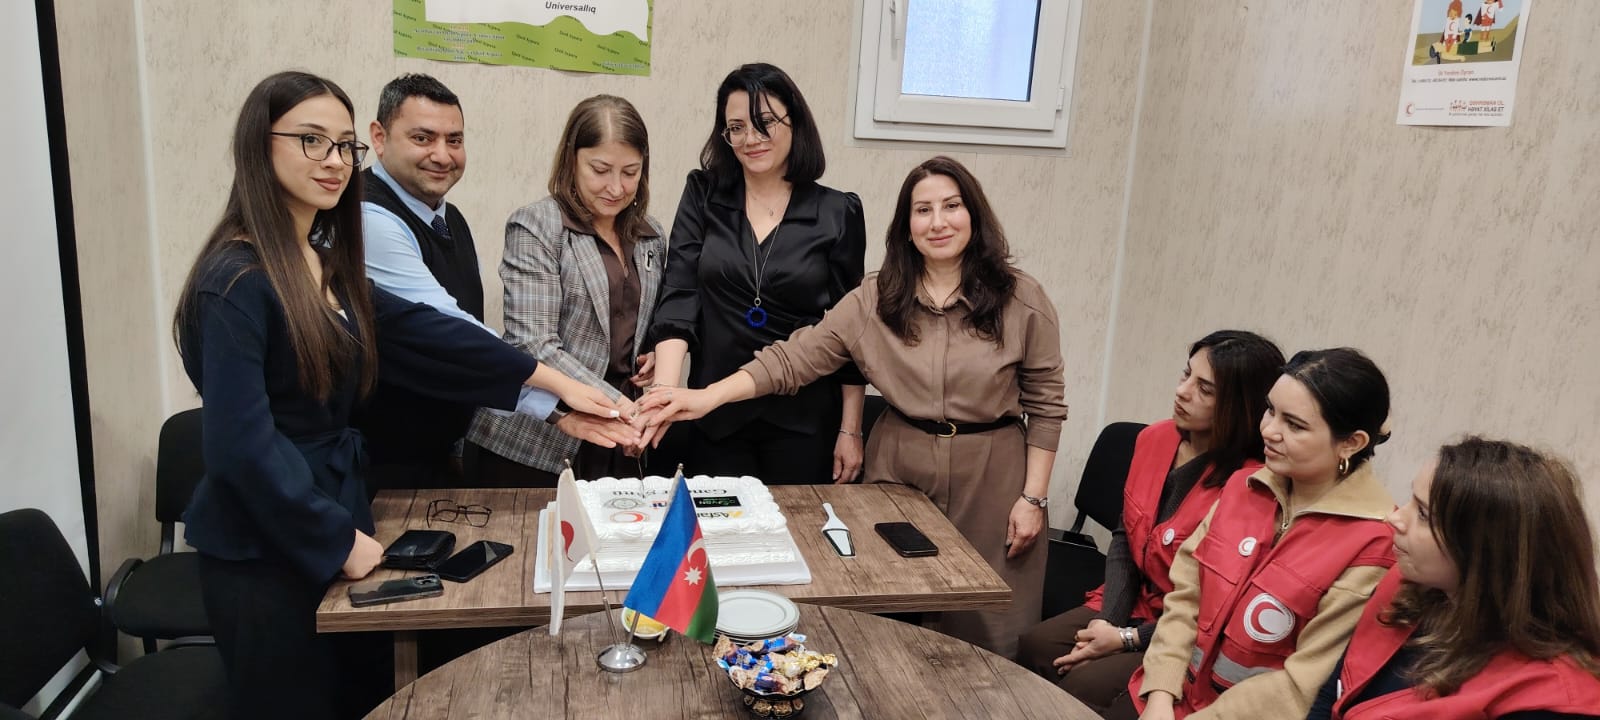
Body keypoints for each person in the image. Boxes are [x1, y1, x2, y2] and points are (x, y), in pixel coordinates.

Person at [173, 71, 631, 720]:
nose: (335, 162)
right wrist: (334, 537)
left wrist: (560, 395)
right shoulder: (236, 279)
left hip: (334, 510)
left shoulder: (322, 260)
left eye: (343, 146)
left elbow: (430, 335)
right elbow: (240, 449)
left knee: (362, 695)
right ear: (258, 145)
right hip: (265, 546)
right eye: (311, 141)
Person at [639, 156, 1067, 657]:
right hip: (899, 475)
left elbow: (1047, 402)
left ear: (974, 214)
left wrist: (1034, 498)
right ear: (906, 226)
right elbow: (795, 357)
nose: (938, 222)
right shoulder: (877, 298)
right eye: (922, 210)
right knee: (885, 626)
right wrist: (706, 396)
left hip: (992, 475)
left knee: (987, 633)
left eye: (951, 206)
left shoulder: (1021, 298)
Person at [357, 73, 630, 489]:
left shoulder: (449, 218)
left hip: (441, 448)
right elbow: (450, 328)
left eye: (454, 140)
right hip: (378, 456)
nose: (442, 155)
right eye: (423, 138)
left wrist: (555, 410)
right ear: (379, 137)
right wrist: (562, 389)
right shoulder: (367, 216)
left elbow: (463, 350)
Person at [1017, 330, 1284, 716]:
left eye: (1205, 389)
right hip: (1134, 600)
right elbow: (1124, 535)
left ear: (1240, 406)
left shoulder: (1250, 486)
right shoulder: (1154, 438)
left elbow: (1211, 610)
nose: (1182, 391)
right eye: (1186, 375)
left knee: (1081, 684)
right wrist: (1107, 623)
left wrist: (1125, 638)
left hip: (1183, 631)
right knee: (1035, 647)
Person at [1133, 348, 1397, 720]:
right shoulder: (1242, 486)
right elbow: (1185, 600)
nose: (1269, 431)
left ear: (1351, 443)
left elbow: (1301, 684)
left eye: (1295, 425)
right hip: (1167, 700)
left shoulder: (1374, 543)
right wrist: (1160, 694)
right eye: (1270, 410)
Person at [645, 62, 867, 485]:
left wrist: (851, 429)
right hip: (715, 413)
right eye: (736, 127)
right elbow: (679, 296)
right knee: (717, 526)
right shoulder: (704, 194)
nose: (750, 139)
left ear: (795, 122)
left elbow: (850, 333)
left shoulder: (837, 212)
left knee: (798, 525)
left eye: (765, 123)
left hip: (803, 419)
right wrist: (664, 393)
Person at [1305, 438, 1600, 719]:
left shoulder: (1550, 699)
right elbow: (1335, 694)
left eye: (1423, 514)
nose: (1394, 518)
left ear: (1485, 550)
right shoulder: (1405, 584)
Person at [467, 95, 666, 485]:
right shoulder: (537, 226)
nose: (616, 187)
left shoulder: (651, 234)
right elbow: (532, 343)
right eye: (600, 170)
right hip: (535, 444)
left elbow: (646, 319)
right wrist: (618, 404)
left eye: (630, 172)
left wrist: (656, 350)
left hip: (618, 440)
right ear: (571, 160)